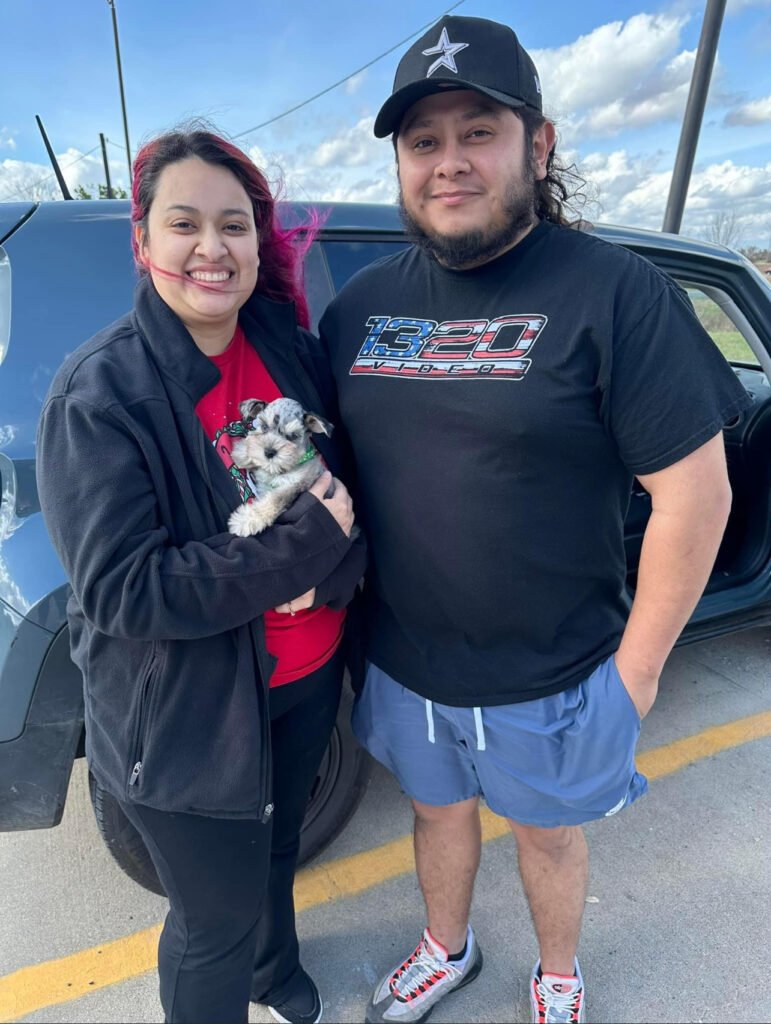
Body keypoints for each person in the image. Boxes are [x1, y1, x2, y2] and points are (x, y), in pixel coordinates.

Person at [319, 15, 752, 1024]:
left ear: (539, 144)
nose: (449, 161)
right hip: (405, 661)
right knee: (436, 814)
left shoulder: (614, 291)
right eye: (424, 140)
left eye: (479, 131)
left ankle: (558, 973)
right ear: (400, 161)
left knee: (549, 836)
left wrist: (635, 677)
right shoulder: (362, 308)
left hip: (557, 674)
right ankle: (447, 946)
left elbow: (696, 495)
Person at [37, 126, 365, 1024]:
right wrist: (299, 552)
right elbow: (124, 589)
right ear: (143, 240)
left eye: (233, 225)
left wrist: (335, 573)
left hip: (306, 679)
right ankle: (239, 974)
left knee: (278, 850)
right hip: (190, 714)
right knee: (212, 920)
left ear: (259, 244)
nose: (211, 248)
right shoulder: (99, 393)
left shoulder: (290, 351)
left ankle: (276, 973)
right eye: (184, 223)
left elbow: (352, 497)